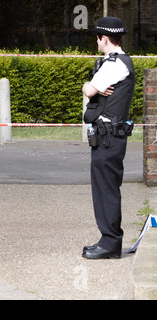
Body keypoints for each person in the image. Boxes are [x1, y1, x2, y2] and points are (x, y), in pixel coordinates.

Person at [81, 17, 135, 259]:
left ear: (104, 38)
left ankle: (110, 243)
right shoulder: (115, 63)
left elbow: (89, 90)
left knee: (106, 190)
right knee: (105, 188)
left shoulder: (114, 64)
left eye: (98, 38)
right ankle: (107, 239)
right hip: (108, 136)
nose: (96, 41)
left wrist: (89, 85)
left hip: (108, 137)